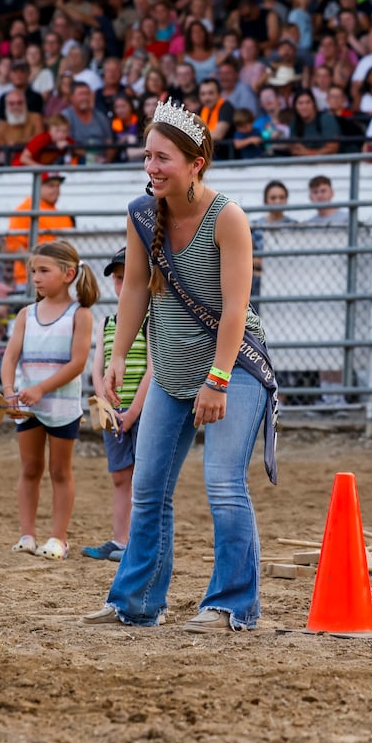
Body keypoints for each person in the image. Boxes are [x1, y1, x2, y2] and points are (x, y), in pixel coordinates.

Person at [82, 98, 276, 632]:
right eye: (147, 156)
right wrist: (119, 354)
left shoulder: (229, 217)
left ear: (196, 163)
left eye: (162, 158)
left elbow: (236, 309)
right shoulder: (142, 215)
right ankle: (137, 600)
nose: (151, 168)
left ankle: (232, 605)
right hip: (169, 362)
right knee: (148, 487)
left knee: (223, 483)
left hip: (232, 364)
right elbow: (136, 288)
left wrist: (217, 379)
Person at [1, 240, 97, 561]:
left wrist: (41, 388)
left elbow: (77, 363)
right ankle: (27, 535)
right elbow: (10, 355)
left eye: (44, 271)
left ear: (69, 274)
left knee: (59, 471)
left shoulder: (80, 315)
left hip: (61, 406)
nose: (36, 278)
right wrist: (7, 388)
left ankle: (58, 537)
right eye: (33, 272)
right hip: (27, 406)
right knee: (30, 469)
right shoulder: (26, 314)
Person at [82, 248, 152, 563]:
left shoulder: (152, 321)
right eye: (119, 279)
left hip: (143, 411)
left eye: (131, 278)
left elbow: (154, 369)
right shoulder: (107, 323)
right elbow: (98, 368)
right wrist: (105, 405)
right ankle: (119, 539)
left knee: (142, 475)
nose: (123, 285)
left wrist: (133, 411)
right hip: (115, 412)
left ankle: (137, 542)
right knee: (120, 476)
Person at [6, 174, 74, 284]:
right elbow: (14, 245)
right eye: (51, 186)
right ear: (38, 187)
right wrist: (39, 270)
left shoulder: (61, 215)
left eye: (58, 186)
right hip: (29, 279)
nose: (56, 190)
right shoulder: (26, 208)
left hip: (58, 279)